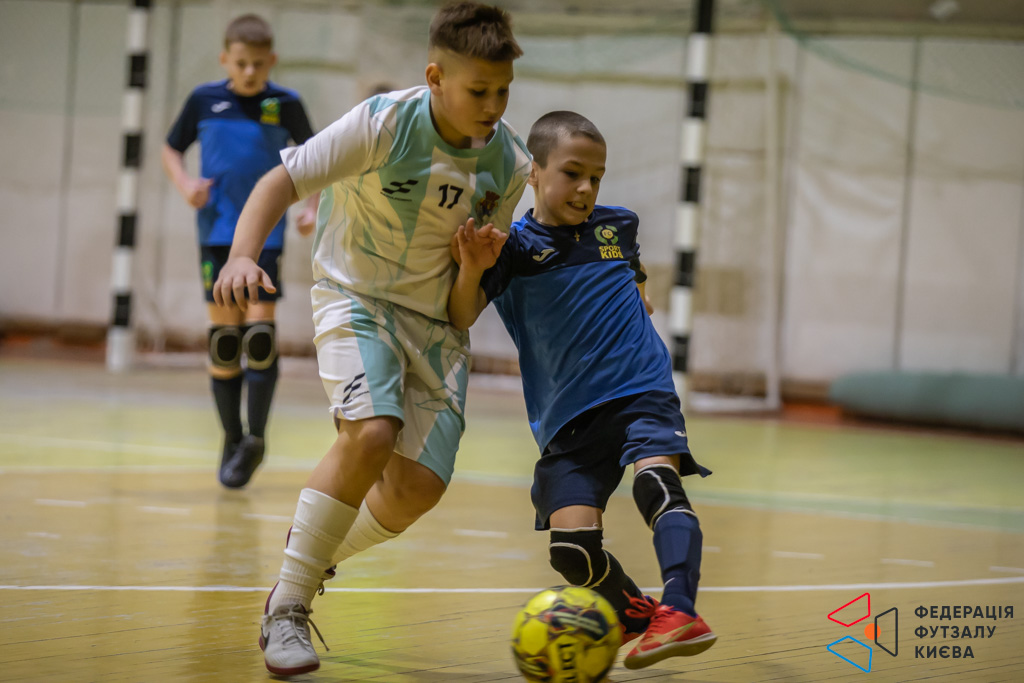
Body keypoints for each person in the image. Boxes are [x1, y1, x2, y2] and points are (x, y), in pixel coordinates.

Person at [212, 2, 530, 676]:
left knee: (417, 490)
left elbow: (463, 312)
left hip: (436, 326)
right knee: (372, 433)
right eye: (479, 90)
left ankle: (310, 554)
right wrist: (243, 255)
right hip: (355, 296)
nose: (493, 106)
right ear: (435, 77)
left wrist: (473, 270)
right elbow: (282, 179)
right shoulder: (384, 123)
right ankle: (288, 605)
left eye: (503, 91)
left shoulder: (509, 165)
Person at [448, 110, 717, 670]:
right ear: (534, 173)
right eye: (572, 173)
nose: (586, 188)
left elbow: (634, 276)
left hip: (640, 387)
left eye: (596, 177)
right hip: (567, 417)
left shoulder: (619, 225)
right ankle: (634, 613)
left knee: (656, 482)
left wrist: (637, 295)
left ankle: (680, 609)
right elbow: (462, 313)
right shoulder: (513, 248)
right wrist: (471, 269)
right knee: (572, 552)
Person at [162, 14, 317, 489]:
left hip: (265, 236)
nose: (249, 72)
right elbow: (171, 148)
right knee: (225, 341)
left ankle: (257, 438)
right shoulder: (204, 100)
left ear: (271, 61)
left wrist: (311, 206)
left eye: (258, 64)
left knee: (260, 337)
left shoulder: (284, 104)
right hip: (216, 235)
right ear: (225, 59)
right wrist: (185, 184)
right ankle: (232, 439)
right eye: (241, 63)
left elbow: (317, 157)